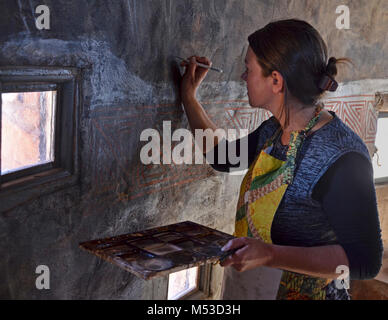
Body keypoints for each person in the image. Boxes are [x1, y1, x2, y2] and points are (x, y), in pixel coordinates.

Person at [179, 19, 383, 300]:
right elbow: (222, 157)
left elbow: (365, 261)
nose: (243, 76)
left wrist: (270, 255)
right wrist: (189, 96)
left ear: (276, 81)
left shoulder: (343, 157)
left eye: (248, 69)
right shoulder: (273, 131)